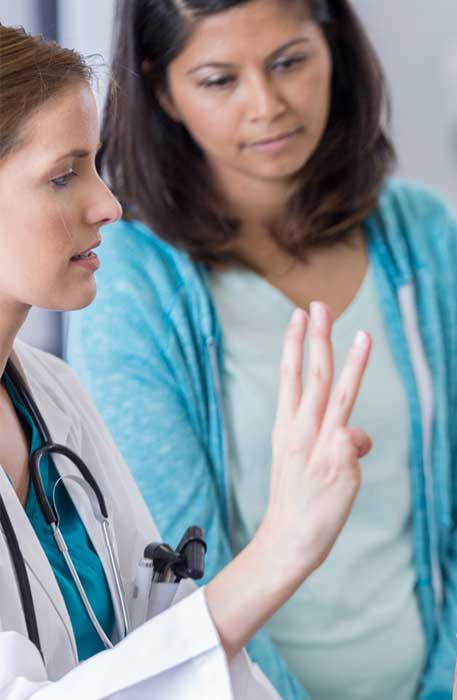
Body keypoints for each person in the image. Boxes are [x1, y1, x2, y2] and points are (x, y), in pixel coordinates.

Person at [64, 1, 457, 698]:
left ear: (333, 46)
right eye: (219, 80)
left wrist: (451, 686)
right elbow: (177, 571)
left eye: (289, 62)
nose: (266, 105)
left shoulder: (426, 238)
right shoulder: (129, 281)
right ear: (160, 88)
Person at [0, 23, 374, 698]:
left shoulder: (52, 395)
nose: (107, 205)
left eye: (95, 167)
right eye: (62, 176)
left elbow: (161, 630)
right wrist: (281, 547)